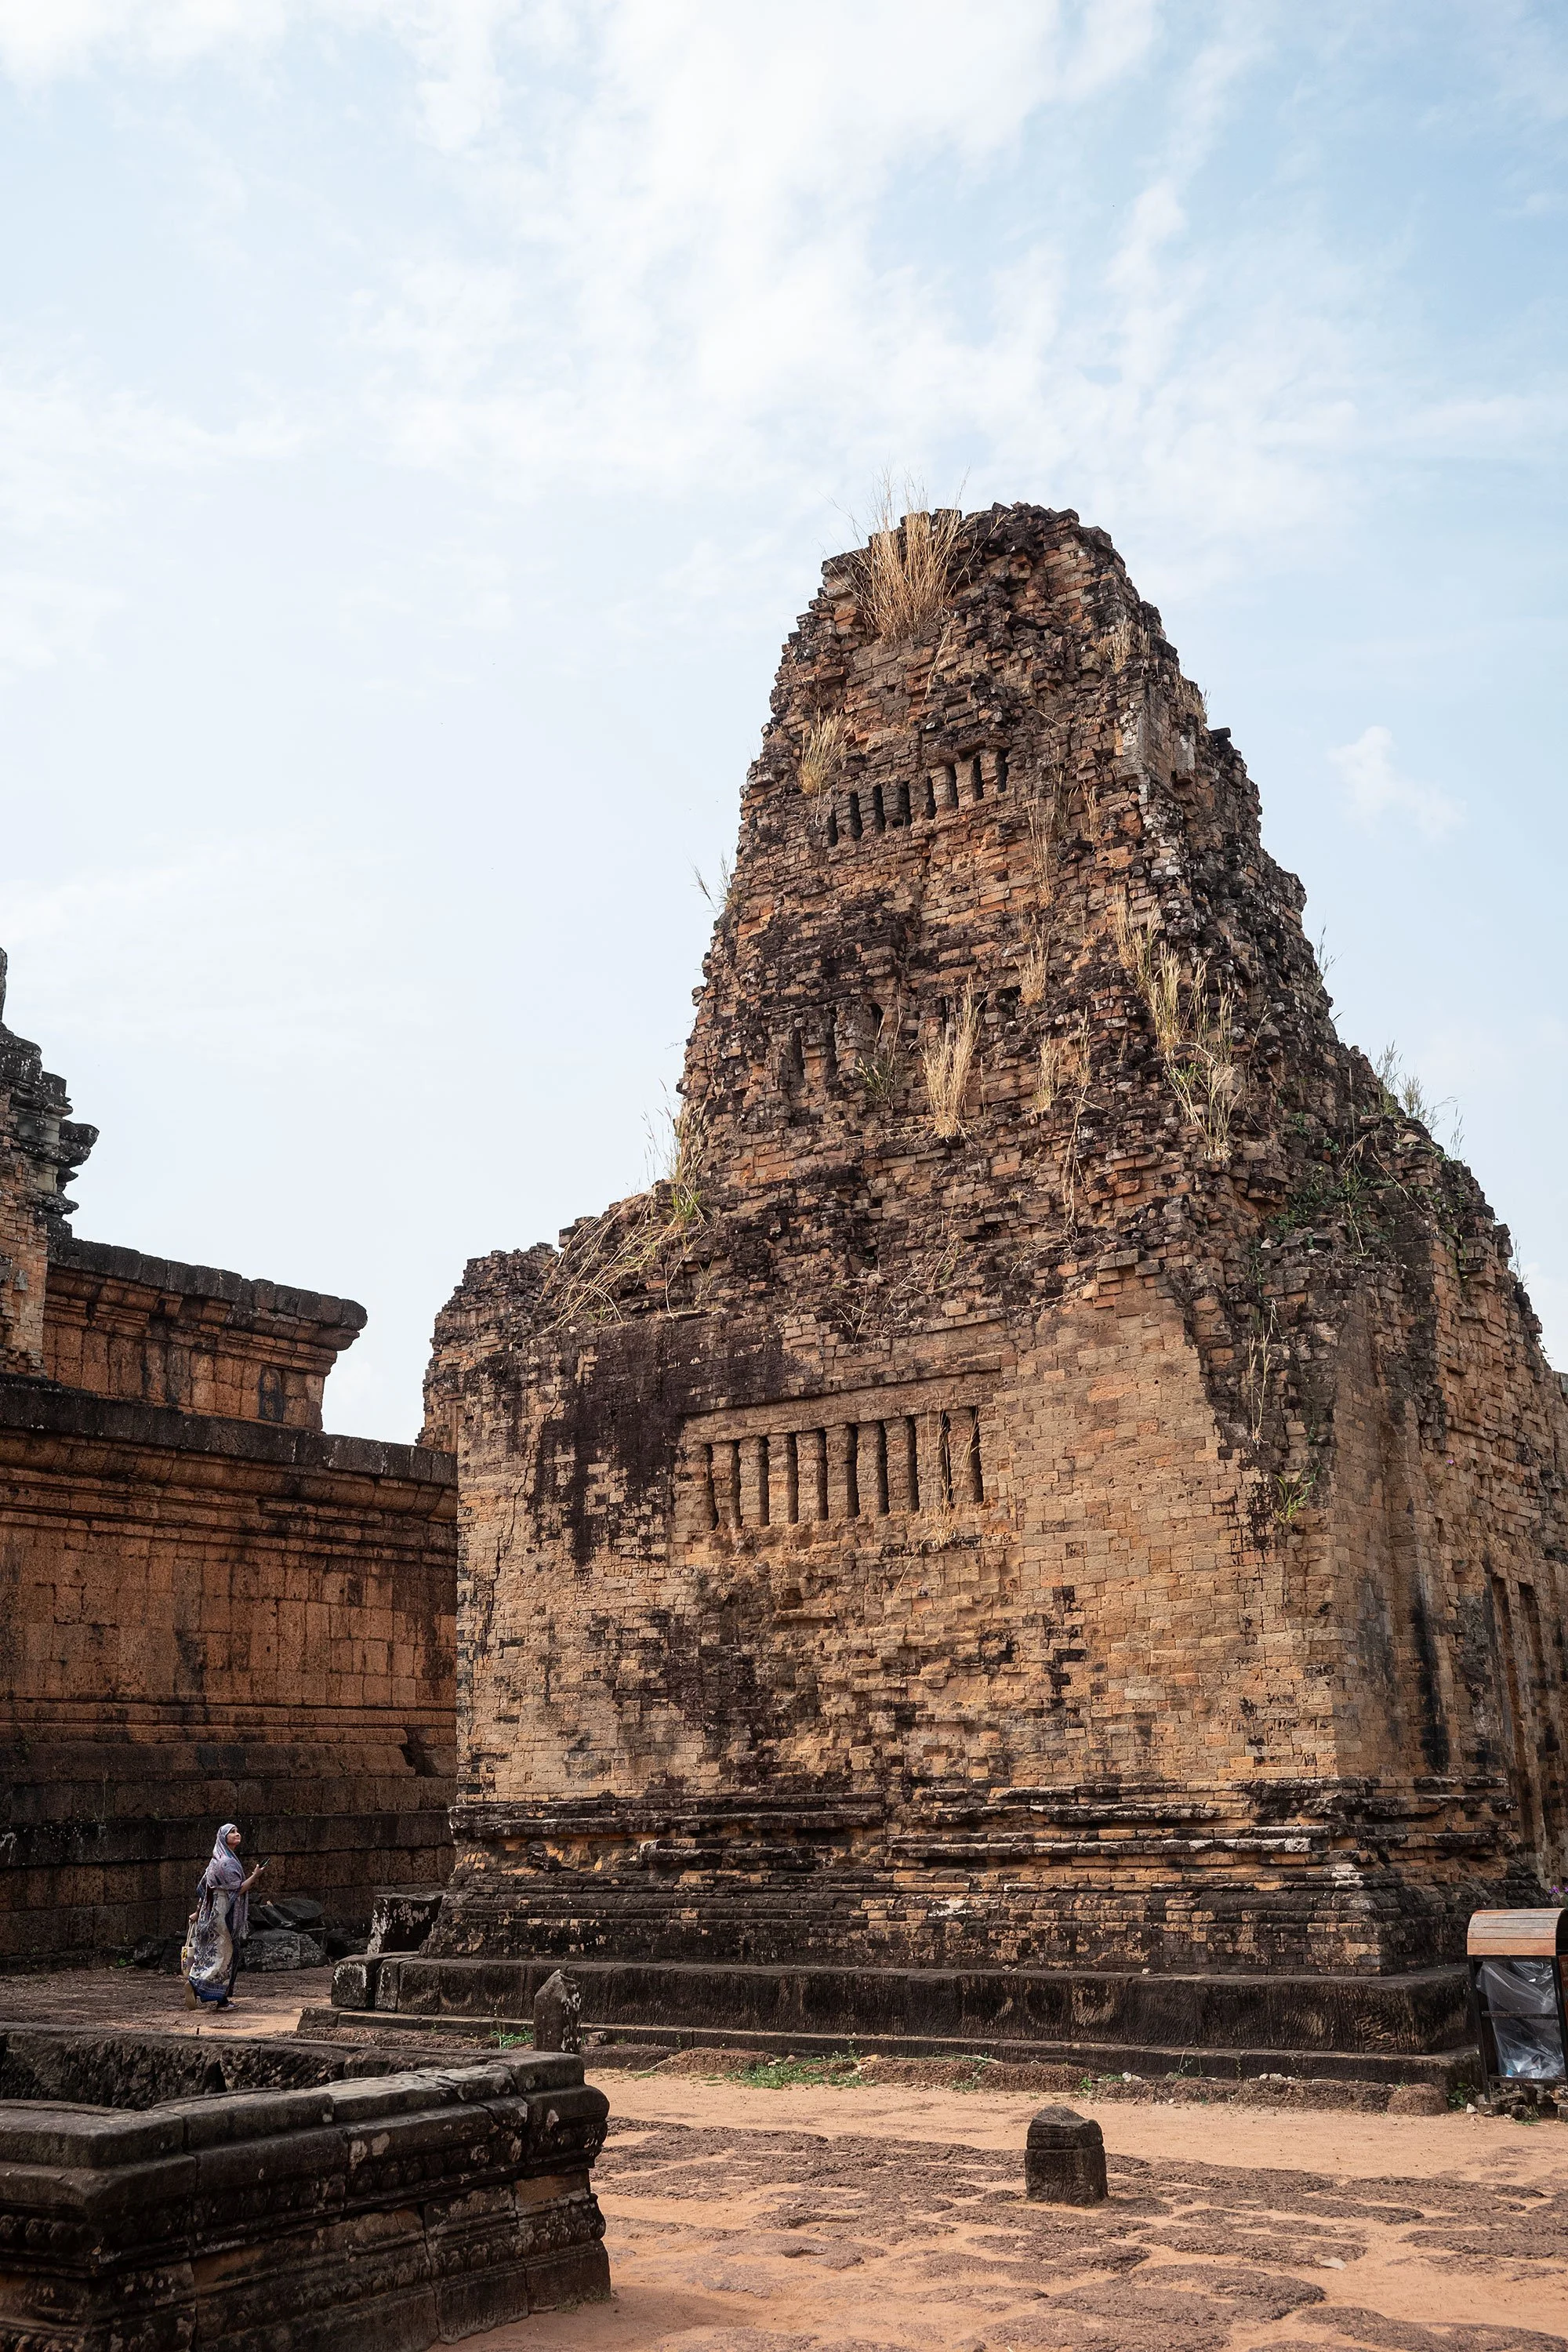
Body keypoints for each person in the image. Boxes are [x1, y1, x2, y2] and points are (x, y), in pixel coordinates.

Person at [183, 1823, 266, 2008]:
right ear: (223, 1838)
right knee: (228, 1956)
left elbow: (204, 1890)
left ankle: (197, 1983)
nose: (237, 1834)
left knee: (210, 1956)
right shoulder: (227, 1863)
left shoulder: (215, 1860)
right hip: (223, 1914)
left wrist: (197, 1913)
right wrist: (255, 1876)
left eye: (237, 1831)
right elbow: (238, 1890)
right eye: (232, 1832)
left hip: (208, 1914)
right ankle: (213, 1995)